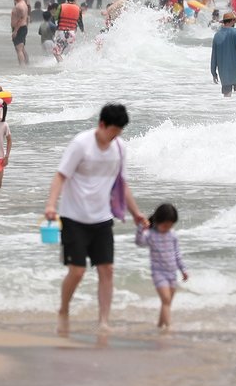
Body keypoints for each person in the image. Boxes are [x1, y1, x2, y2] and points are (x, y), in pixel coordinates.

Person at [43, 104, 148, 336]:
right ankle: (63, 309)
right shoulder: (81, 144)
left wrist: (136, 213)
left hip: (102, 218)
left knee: (107, 269)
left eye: (119, 133)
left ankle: (103, 321)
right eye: (113, 131)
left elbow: (123, 184)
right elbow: (60, 175)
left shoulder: (119, 148)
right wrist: (51, 205)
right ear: (101, 125)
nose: (115, 137)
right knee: (77, 271)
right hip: (74, 217)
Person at [135, 203, 187, 332]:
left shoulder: (172, 235)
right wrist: (141, 227)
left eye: (170, 225)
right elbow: (139, 242)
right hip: (159, 273)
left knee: (167, 303)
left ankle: (159, 327)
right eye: (165, 225)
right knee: (166, 300)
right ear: (158, 221)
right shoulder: (150, 235)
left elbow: (177, 254)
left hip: (172, 273)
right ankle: (168, 329)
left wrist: (183, 270)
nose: (167, 228)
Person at [210, 12, 236, 99]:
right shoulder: (235, 32)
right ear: (232, 21)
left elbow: (214, 56)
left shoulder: (217, 35)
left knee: (227, 96)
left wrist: (213, 72)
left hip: (224, 73)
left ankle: (227, 112)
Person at [10, 0, 30, 65]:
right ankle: (27, 63)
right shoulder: (22, 4)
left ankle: (21, 66)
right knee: (21, 48)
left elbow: (20, 19)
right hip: (22, 28)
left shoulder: (20, 6)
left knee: (19, 49)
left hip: (19, 28)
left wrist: (15, 31)